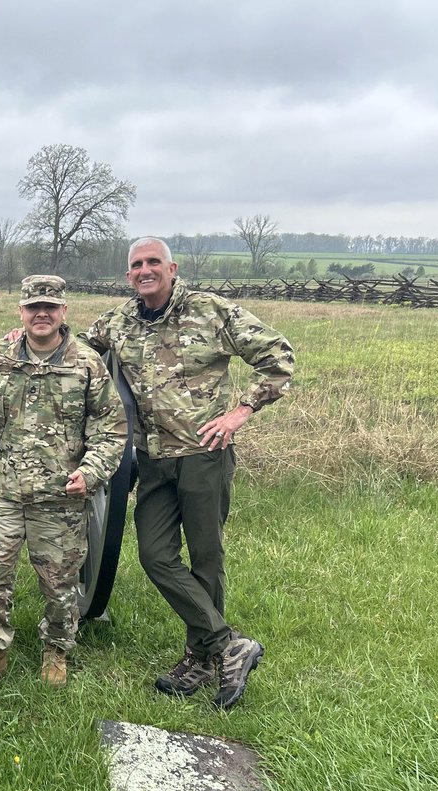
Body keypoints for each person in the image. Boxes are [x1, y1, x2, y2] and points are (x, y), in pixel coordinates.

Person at [80, 236, 295, 709]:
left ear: (172, 268)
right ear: (128, 275)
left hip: (203, 454)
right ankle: (228, 645)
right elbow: (73, 352)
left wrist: (240, 412)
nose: (144, 270)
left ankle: (200, 658)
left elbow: (279, 357)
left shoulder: (210, 311)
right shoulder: (117, 321)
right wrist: (25, 337)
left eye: (153, 261)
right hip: (152, 461)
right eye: (136, 264)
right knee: (156, 556)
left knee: (205, 558)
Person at [0, 275, 128, 686]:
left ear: (64, 312)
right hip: (6, 492)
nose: (41, 314)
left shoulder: (86, 364)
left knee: (59, 582)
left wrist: (92, 470)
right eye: (33, 307)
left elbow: (112, 430)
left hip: (61, 497)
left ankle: (56, 652)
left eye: (50, 307)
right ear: (21, 312)